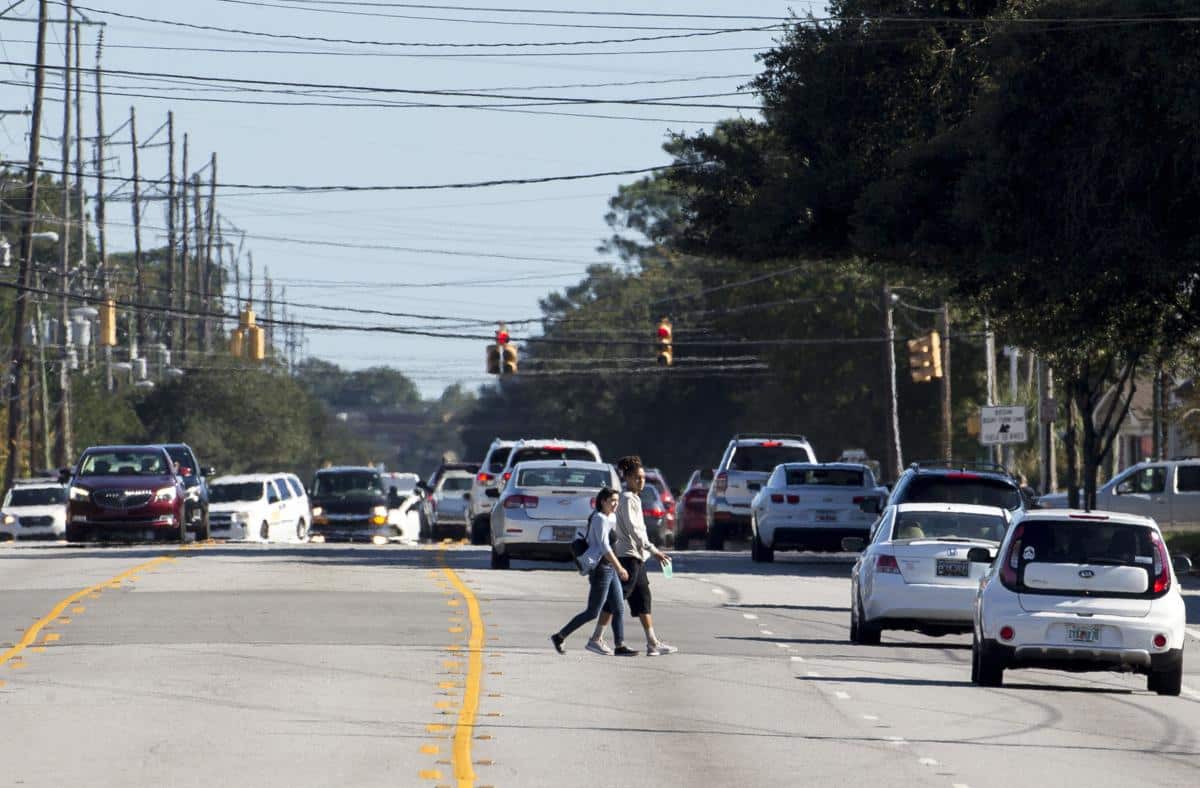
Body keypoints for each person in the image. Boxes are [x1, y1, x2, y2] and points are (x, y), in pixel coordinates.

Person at [550, 488, 638, 657]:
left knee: (618, 608)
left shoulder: (609, 518)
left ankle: (620, 645)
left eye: (617, 501)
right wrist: (620, 568)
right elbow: (604, 547)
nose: (615, 504)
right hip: (601, 570)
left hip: (609, 569)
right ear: (603, 501)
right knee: (593, 612)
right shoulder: (599, 518)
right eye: (612, 500)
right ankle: (560, 636)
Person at [614, 455, 677, 656]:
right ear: (628, 479)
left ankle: (652, 642)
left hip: (637, 557)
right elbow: (634, 530)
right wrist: (654, 550)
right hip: (629, 556)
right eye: (636, 478)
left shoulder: (635, 498)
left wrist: (648, 551)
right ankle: (597, 637)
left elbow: (638, 530)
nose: (641, 481)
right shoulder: (626, 498)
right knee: (616, 598)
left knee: (643, 599)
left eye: (642, 478)